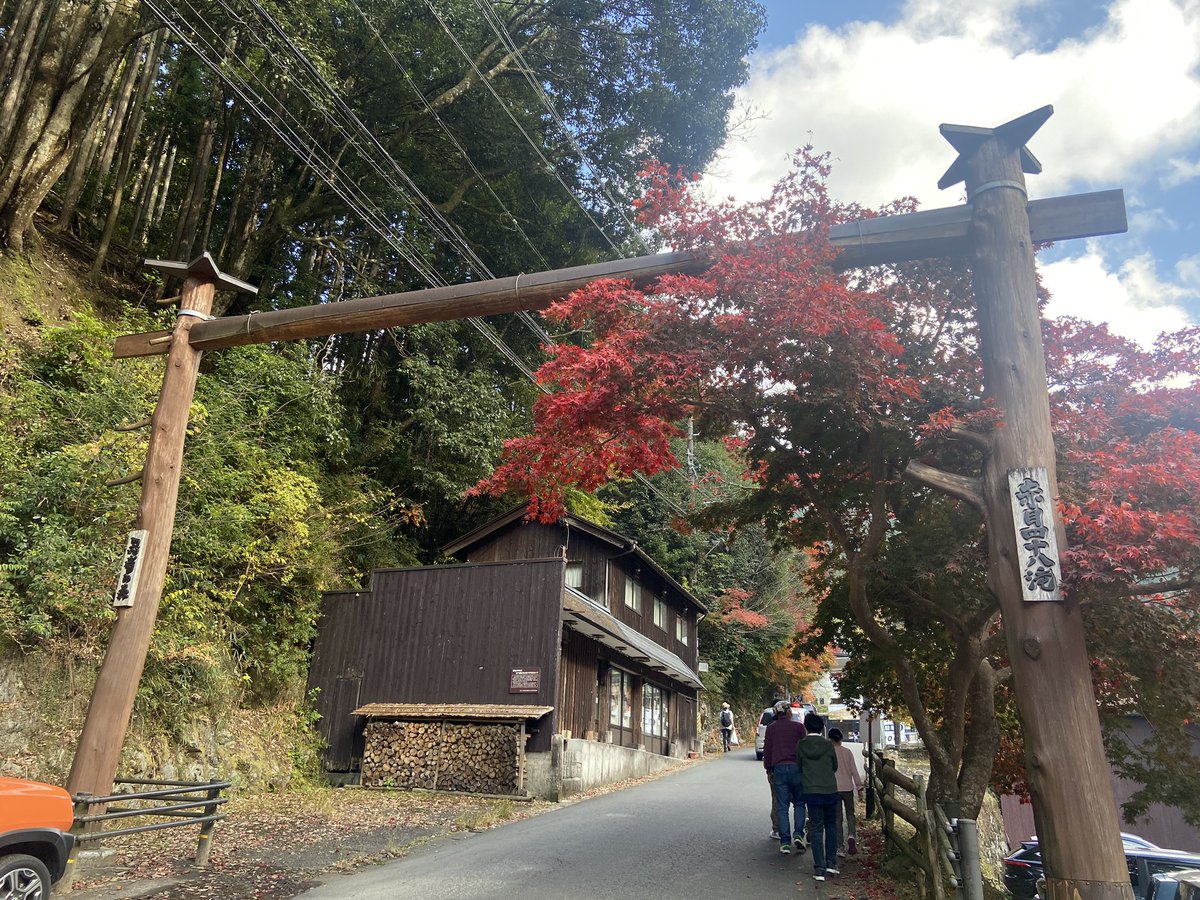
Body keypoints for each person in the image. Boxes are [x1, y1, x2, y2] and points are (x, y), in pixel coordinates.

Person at [797, 712, 840, 881]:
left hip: (811, 790)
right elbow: (834, 766)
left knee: (816, 828)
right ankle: (831, 863)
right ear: (822, 728)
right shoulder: (828, 745)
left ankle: (819, 868)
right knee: (831, 825)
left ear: (806, 727)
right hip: (829, 789)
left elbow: (799, 766)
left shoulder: (801, 745)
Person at [762, 700, 807, 855]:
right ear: (789, 712)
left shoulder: (771, 728)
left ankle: (785, 842)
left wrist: (769, 770)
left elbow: (767, 750)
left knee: (782, 807)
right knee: (799, 803)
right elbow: (804, 749)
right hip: (797, 768)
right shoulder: (799, 727)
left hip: (779, 769)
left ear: (776, 713)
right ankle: (799, 834)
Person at [829, 727, 864, 855]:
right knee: (850, 813)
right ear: (841, 738)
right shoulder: (847, 752)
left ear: (830, 739)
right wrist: (859, 787)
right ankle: (851, 835)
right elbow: (854, 770)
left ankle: (840, 847)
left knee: (837, 818)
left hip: (834, 789)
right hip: (848, 788)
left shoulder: (829, 752)